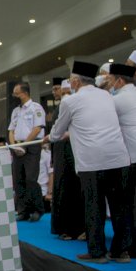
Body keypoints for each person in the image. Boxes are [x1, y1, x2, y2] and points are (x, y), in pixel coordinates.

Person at [45, 61, 131, 263]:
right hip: (118, 157)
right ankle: (121, 251)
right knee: (119, 207)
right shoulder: (107, 95)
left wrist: (52, 136)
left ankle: (97, 252)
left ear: (75, 81)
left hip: (92, 161)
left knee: (94, 207)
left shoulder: (70, 101)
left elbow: (57, 133)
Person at [106, 63, 136, 258]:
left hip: (131, 158)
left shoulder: (118, 100)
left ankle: (128, 246)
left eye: (110, 80)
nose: (109, 84)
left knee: (125, 205)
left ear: (119, 80)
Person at [50, 79, 86, 241]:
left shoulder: (69, 104)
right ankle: (69, 227)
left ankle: (70, 228)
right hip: (65, 154)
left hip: (68, 153)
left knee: (69, 188)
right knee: (67, 188)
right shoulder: (67, 104)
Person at [8, 82, 45, 222]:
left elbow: (37, 128)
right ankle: (23, 210)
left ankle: (37, 209)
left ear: (24, 93)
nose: (15, 96)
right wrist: (14, 145)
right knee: (18, 179)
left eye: (16, 93)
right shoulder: (16, 111)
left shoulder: (36, 108)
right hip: (18, 146)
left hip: (31, 146)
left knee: (30, 178)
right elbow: (11, 130)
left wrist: (24, 145)